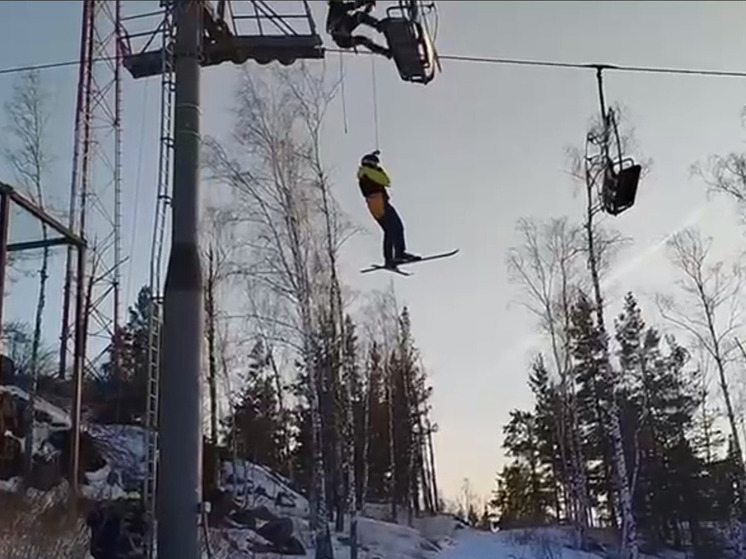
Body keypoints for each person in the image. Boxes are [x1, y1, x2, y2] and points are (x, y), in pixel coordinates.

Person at [358, 150, 420, 268]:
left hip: (377, 202)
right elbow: (385, 181)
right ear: (370, 163)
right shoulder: (367, 172)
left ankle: (397, 254)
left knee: (396, 227)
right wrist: (379, 170)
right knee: (392, 228)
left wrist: (373, 157)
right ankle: (393, 257)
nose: (377, 166)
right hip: (378, 202)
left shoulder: (366, 172)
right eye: (375, 164)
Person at [326, 0, 392, 58]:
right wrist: (365, 1)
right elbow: (354, 5)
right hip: (343, 38)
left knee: (363, 39)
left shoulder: (336, 9)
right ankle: (379, 26)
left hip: (343, 36)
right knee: (360, 18)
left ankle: (386, 52)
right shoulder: (337, 7)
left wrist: (366, 10)